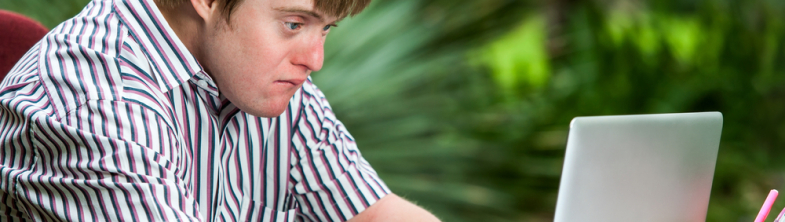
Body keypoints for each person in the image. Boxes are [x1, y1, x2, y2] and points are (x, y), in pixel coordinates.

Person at [0, 0, 441, 221]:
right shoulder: (96, 103)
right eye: (294, 24)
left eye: (325, 29)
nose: (314, 59)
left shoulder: (254, 72)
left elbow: (374, 213)